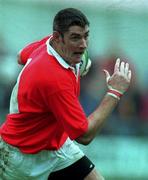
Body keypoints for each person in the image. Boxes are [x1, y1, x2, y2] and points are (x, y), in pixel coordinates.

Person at [0, 8, 131, 180]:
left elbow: (20, 56)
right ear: (57, 38)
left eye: (86, 36)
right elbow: (84, 136)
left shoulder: (51, 44)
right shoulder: (54, 80)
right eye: (75, 37)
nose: (83, 44)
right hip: (23, 156)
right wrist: (115, 92)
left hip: (57, 145)